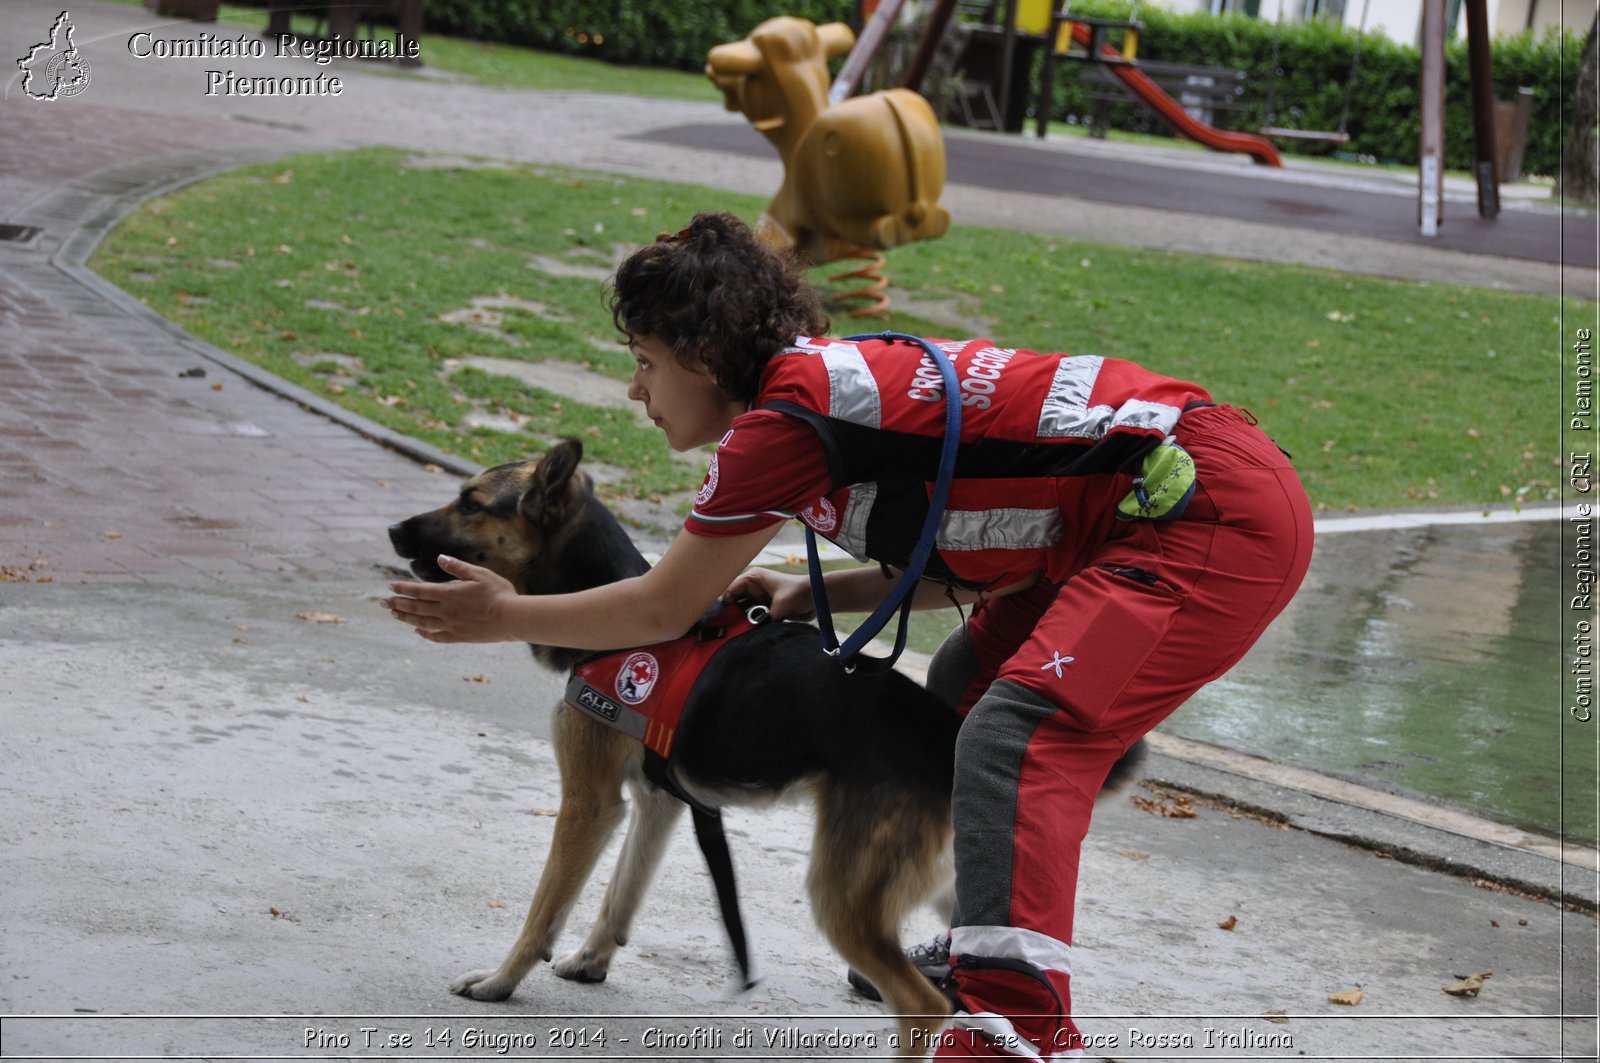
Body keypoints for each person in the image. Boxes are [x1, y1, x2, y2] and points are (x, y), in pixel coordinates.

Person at [383, 211, 1314, 1059]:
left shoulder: (785, 424)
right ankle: (969, 957)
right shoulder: (828, 388)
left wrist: (501, 618)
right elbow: (973, 552)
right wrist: (805, 592)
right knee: (962, 686)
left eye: (645, 359)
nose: (636, 390)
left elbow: (661, 610)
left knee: (1010, 738)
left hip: (1204, 512)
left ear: (703, 356)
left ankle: (1017, 1032)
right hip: (1151, 505)